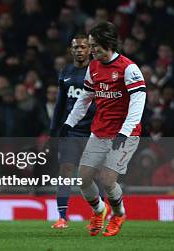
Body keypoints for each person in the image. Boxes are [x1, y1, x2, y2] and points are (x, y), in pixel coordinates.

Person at [60, 21, 146, 237]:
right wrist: (69, 122)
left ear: (107, 44)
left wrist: (124, 132)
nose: (91, 50)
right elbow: (85, 99)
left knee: (108, 180)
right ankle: (99, 211)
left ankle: (118, 215)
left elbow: (138, 102)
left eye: (94, 45)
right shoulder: (93, 67)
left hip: (125, 134)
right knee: (84, 179)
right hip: (99, 132)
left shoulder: (129, 68)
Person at [49, 33, 95, 229]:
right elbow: (60, 104)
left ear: (90, 49)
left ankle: (97, 214)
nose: (79, 50)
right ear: (71, 50)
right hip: (71, 131)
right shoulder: (66, 71)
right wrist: (54, 129)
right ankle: (62, 217)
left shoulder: (96, 71)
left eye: (83, 47)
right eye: (76, 47)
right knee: (65, 170)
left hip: (93, 131)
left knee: (92, 175)